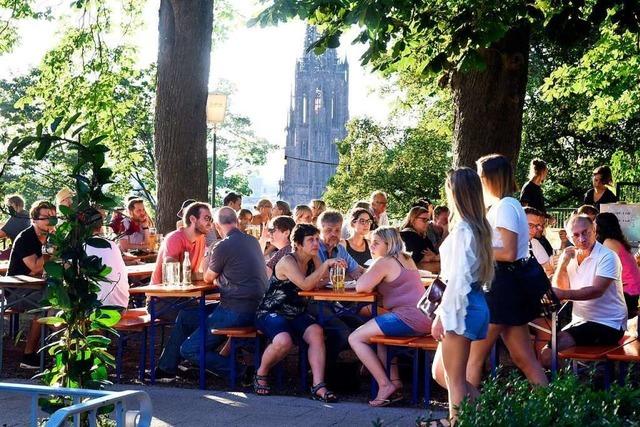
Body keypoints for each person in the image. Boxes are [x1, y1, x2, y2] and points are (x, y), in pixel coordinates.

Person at [467, 154, 548, 387]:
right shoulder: (506, 205)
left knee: (473, 358)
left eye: (481, 176)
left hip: (502, 287)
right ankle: (553, 411)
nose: (479, 181)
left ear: (492, 178)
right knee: (524, 358)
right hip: (507, 287)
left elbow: (509, 252)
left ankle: (464, 418)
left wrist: (474, 249)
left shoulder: (505, 207)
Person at [430, 168, 494, 425]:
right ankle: (493, 413)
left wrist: (441, 316)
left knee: (454, 380)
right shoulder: (479, 229)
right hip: (475, 303)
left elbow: (457, 281)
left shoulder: (464, 231)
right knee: (441, 372)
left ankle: (457, 421)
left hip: (461, 306)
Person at [254, 224, 340, 401]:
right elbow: (307, 284)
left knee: (317, 332)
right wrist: (324, 266)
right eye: (311, 240)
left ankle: (318, 385)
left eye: (317, 239)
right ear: (299, 244)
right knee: (284, 341)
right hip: (271, 311)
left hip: (296, 312)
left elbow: (322, 280)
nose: (316, 243)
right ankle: (261, 373)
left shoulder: (313, 258)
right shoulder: (287, 261)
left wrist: (322, 270)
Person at [180, 207, 268, 378]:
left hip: (235, 310)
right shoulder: (252, 241)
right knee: (186, 316)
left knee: (188, 350)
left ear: (217, 226)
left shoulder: (222, 245)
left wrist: (208, 254)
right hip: (258, 308)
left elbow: (207, 277)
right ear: (236, 222)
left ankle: (241, 372)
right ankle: (202, 365)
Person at [349, 227, 431, 407]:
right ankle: (395, 382)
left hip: (408, 318)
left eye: (376, 242)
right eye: (371, 242)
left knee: (355, 338)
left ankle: (384, 385)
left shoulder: (384, 261)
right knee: (381, 338)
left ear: (389, 244)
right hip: (424, 316)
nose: (371, 246)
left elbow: (360, 287)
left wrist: (366, 274)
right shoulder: (406, 258)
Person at [540, 214, 627, 366]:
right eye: (575, 235)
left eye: (585, 232)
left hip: (609, 323)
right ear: (568, 236)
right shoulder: (571, 255)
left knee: (549, 352)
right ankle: (568, 383)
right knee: (547, 348)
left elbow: (596, 291)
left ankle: (565, 385)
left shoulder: (607, 256)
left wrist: (563, 294)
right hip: (581, 321)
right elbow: (560, 289)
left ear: (594, 229)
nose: (581, 238)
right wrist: (562, 264)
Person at [7, 200, 56, 369]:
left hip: (39, 287)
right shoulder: (25, 238)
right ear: (34, 219)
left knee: (57, 299)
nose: (51, 221)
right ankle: (28, 356)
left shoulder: (51, 237)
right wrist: (52, 250)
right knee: (46, 304)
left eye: (54, 217)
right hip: (15, 291)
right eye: (46, 217)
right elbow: (35, 266)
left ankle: (56, 351)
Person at [595, 212, 640, 318]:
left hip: (627, 291)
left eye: (594, 222)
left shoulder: (609, 243)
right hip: (632, 288)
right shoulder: (616, 240)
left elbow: (600, 266)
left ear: (601, 226)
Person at [85, 209, 129, 309]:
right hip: (121, 307)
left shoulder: (81, 247)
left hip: (97, 310)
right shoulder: (112, 245)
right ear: (101, 226)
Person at [0, 195, 31, 260]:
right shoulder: (27, 215)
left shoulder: (17, 218)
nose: (8, 209)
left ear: (14, 204)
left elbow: (1, 234)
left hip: (19, 253)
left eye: (9, 206)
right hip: (28, 251)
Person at [524, 207, 554, 275]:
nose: (535, 230)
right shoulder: (501, 247)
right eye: (530, 225)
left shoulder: (534, 243)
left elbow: (549, 270)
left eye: (537, 226)